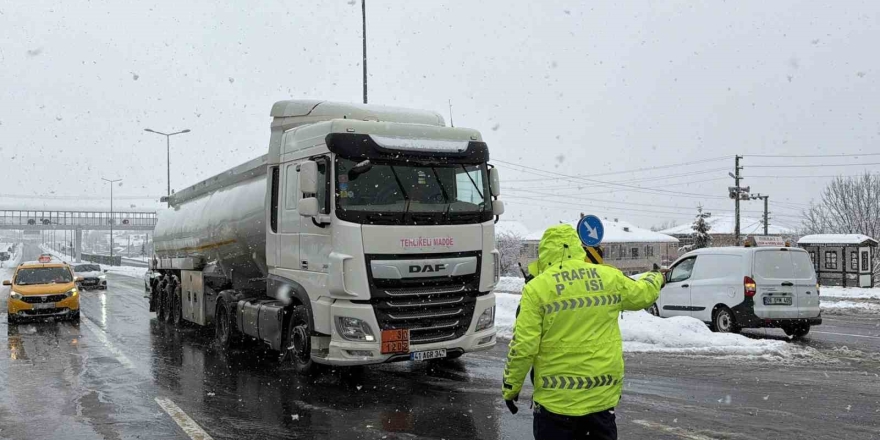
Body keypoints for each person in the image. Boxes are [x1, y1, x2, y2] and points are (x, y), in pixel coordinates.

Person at [502, 224, 664, 440]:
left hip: (556, 406)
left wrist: (511, 388)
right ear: (579, 247)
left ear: (545, 252)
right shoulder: (609, 278)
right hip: (600, 402)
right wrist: (656, 277)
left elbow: (523, 347)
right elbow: (643, 294)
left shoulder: (537, 289)